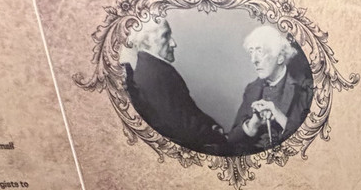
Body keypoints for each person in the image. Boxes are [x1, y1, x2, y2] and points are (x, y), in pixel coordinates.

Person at [121, 18, 226, 153]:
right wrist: (216, 135)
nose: (173, 43)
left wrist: (211, 124)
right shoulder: (155, 74)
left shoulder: (156, 69)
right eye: (165, 36)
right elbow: (179, 126)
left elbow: (189, 110)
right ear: (146, 41)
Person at [226, 25, 313, 154]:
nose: (253, 60)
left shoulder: (304, 88)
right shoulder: (252, 89)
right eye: (251, 52)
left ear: (280, 57)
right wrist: (253, 124)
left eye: (260, 51)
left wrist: (279, 115)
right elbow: (231, 140)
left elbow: (310, 140)